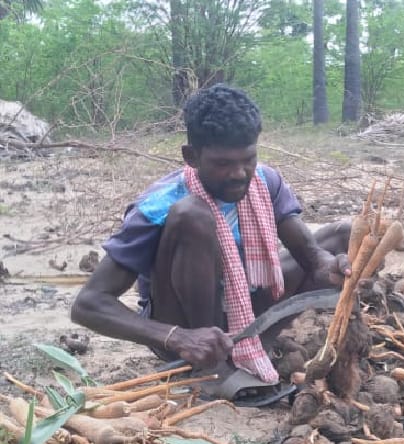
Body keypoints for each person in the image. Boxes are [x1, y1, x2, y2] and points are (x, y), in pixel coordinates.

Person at [71, 84, 350, 400]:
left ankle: (257, 344)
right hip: (183, 327)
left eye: (248, 159)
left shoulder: (264, 183)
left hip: (244, 313)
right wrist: (177, 337)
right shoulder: (158, 206)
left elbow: (311, 257)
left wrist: (330, 267)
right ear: (191, 157)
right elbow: (88, 304)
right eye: (222, 163)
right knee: (194, 216)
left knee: (345, 234)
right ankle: (212, 368)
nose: (239, 174)